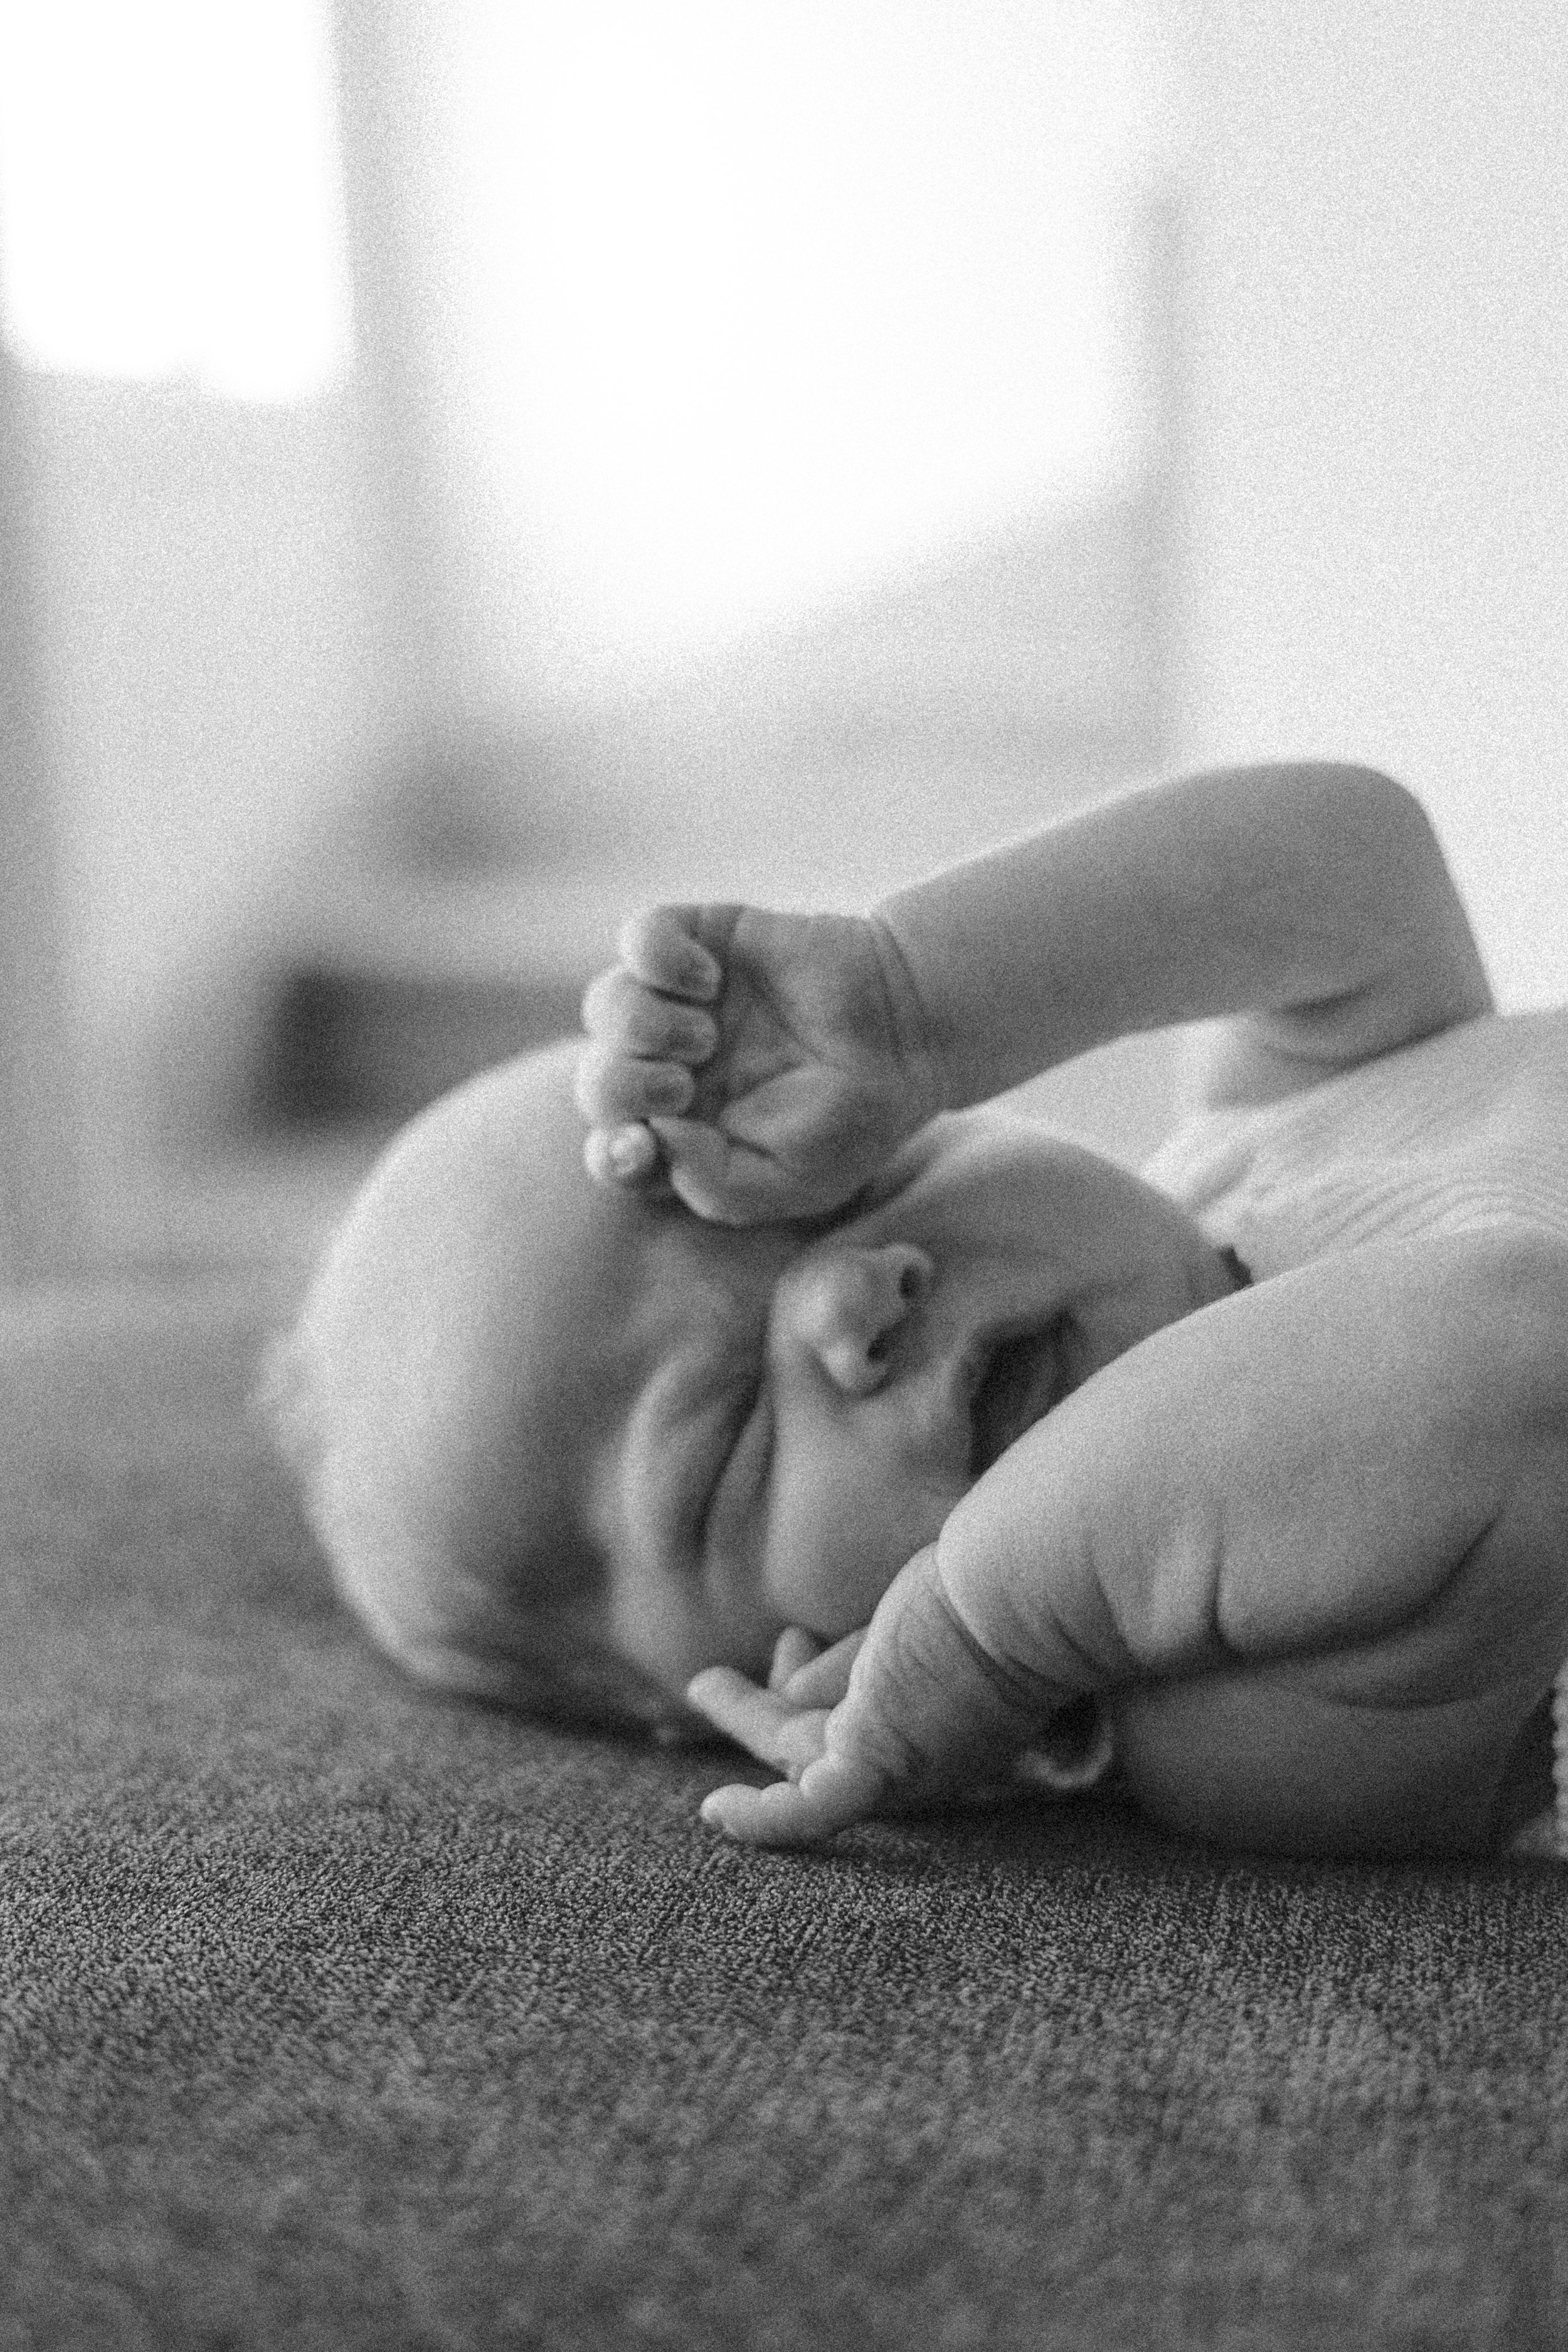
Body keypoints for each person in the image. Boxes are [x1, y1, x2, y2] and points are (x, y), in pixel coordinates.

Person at [573, 761, 1568, 1855]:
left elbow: (1367, 861)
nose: (851, 1289)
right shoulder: (1240, 1728)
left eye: (858, 1185)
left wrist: (920, 1006)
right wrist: (982, 1637)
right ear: (794, 1682)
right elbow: (1514, 1351)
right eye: (727, 1431)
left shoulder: (1251, 1139)